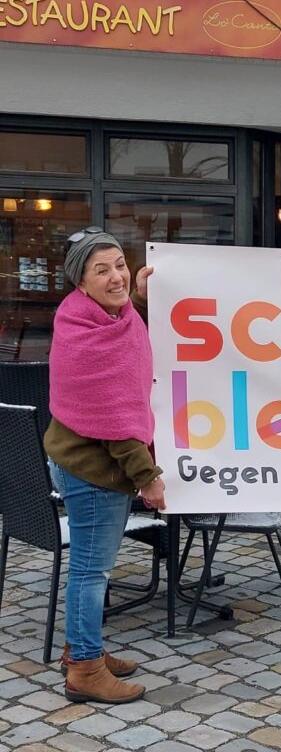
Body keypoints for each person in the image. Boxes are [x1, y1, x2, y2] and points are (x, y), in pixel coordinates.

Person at [45, 227, 166, 704]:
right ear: (81, 281)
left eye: (119, 264)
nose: (115, 275)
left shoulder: (106, 316)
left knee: (91, 568)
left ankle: (82, 647)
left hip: (85, 464)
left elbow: (134, 335)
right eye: (102, 270)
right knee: (91, 572)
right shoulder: (87, 334)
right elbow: (115, 419)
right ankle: (85, 670)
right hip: (93, 471)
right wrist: (148, 479)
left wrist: (139, 297)